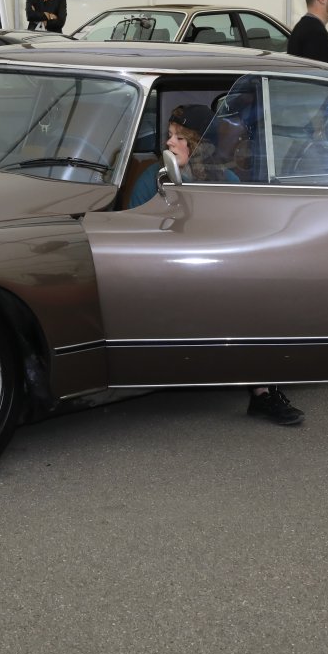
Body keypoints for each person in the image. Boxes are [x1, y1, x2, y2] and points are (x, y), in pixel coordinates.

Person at [127, 104, 302, 427]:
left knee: (259, 300)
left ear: (198, 144)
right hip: (165, 273)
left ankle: (264, 393)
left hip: (214, 273)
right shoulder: (152, 180)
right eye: (169, 135)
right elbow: (132, 237)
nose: (169, 142)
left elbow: (242, 235)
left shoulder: (226, 179)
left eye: (179, 137)